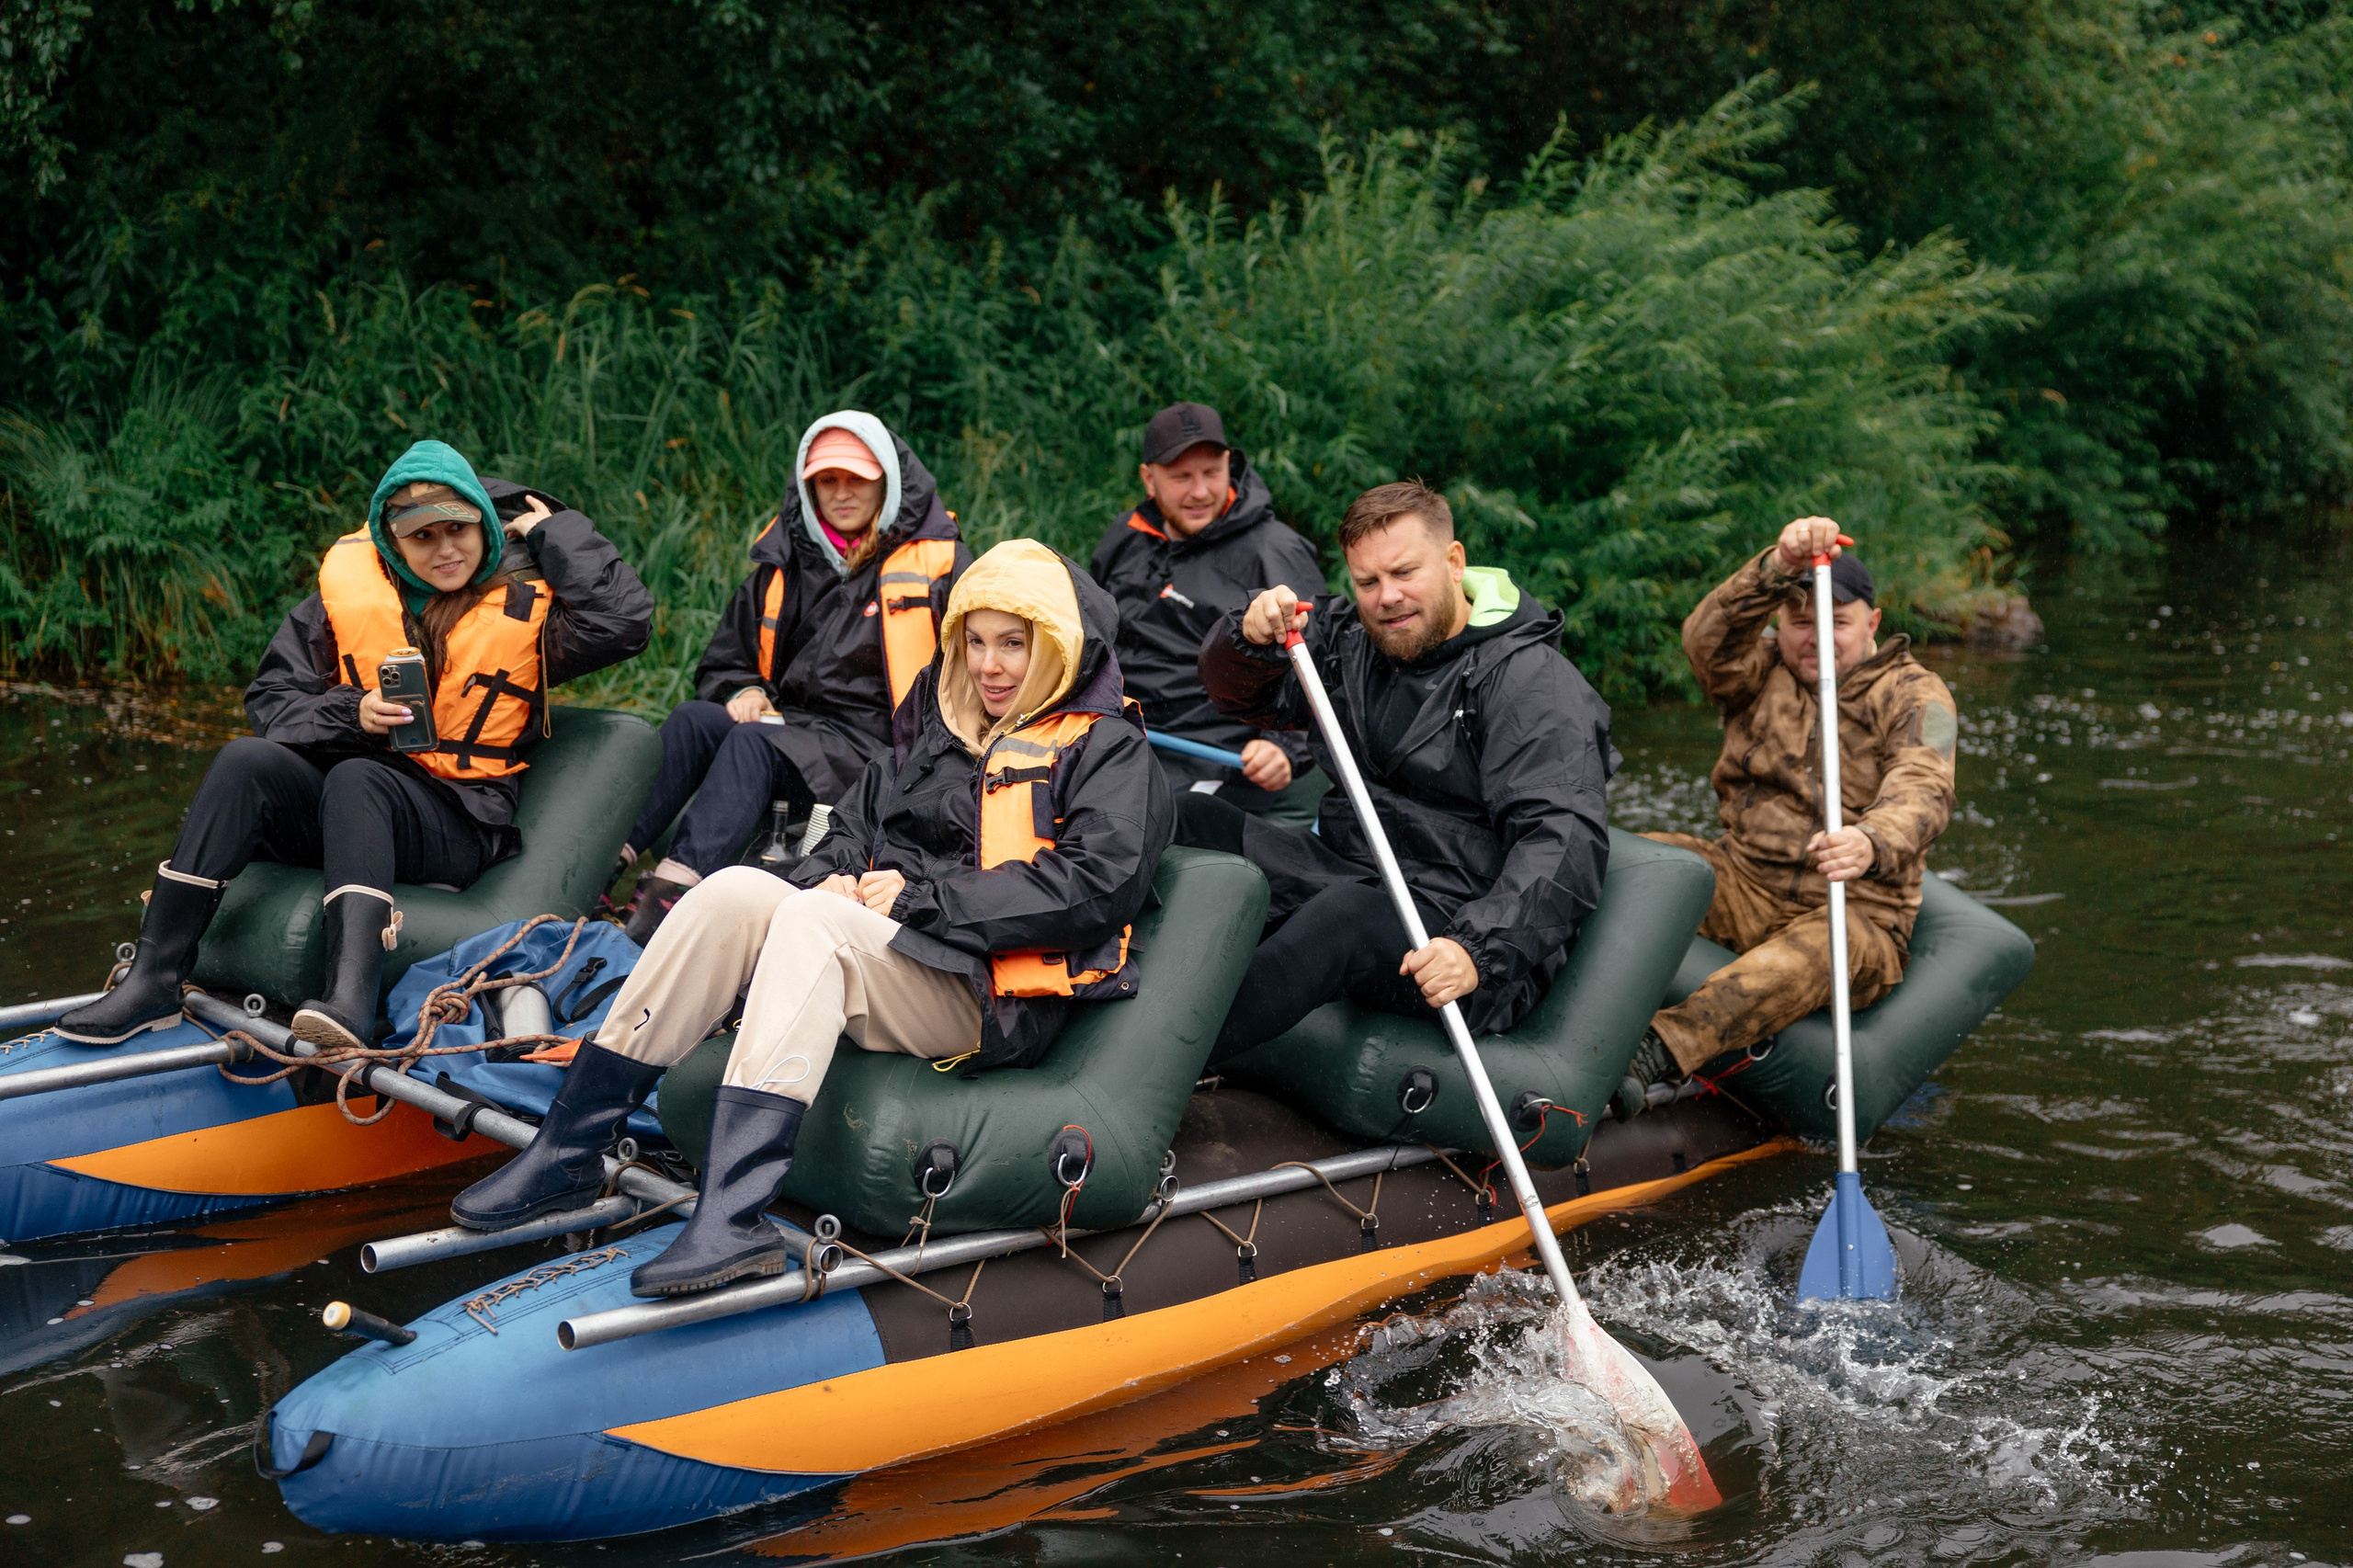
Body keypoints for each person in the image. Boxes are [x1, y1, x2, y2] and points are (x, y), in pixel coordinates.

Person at [449, 539, 1174, 1299]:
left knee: (810, 928)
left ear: (1055, 646)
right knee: (732, 891)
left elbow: (1098, 884)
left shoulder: (1111, 750)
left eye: (1014, 646)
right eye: (977, 642)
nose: (990, 666)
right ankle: (569, 1144)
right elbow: (858, 824)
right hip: (901, 951)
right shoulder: (939, 730)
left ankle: (733, 1217)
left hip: (991, 997)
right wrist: (833, 876)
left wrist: (918, 899)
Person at [55, 440, 652, 1050]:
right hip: (353, 800)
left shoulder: (531, 607)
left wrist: (557, 530)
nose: (446, 550)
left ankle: (350, 1000)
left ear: (482, 524)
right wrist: (352, 712)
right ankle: (154, 979)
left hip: (459, 818)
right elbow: (272, 702)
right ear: (393, 542)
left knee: (357, 780)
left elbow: (624, 623)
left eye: (458, 530)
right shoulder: (343, 601)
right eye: (424, 538)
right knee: (245, 760)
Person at [1177, 480, 1613, 1065]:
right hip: (1354, 872)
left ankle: (1160, 1060)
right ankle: (1077, 988)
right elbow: (1242, 698)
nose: (1387, 597)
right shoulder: (1349, 640)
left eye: (1406, 573)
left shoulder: (1532, 683)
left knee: (1343, 921)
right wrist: (1247, 641)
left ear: (1454, 562)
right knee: (1190, 817)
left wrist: (1476, 950)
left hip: (1462, 930)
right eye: (1368, 582)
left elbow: (1563, 843)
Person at [1622, 517, 1957, 1108]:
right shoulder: (1758, 671)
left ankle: (1656, 1052)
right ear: (1780, 621)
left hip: (1858, 914)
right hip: (1744, 879)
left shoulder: (1917, 694)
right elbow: (1704, 639)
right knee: (1629, 862)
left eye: (1838, 623)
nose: (1817, 639)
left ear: (1872, 623)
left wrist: (1872, 840)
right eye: (1802, 622)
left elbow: (1924, 787)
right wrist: (1776, 564)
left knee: (1822, 947)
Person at [615, 411, 968, 942]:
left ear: (887, 483)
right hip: (794, 725)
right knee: (693, 720)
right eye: (828, 480)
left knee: (755, 742)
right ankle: (602, 864)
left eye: (858, 479)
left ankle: (667, 899)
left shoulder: (942, 566)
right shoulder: (785, 560)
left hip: (883, 747)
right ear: (809, 486)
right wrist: (745, 688)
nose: (842, 493)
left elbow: (974, 674)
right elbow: (723, 661)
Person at [1088, 403, 1325, 819]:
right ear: (1149, 479)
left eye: (1212, 473)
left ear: (1229, 466)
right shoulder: (1123, 538)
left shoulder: (1274, 552)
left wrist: (1283, 747)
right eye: (1181, 477)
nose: (1200, 492)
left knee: (1127, 827)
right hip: (1118, 737)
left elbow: (1323, 666)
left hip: (1217, 754)